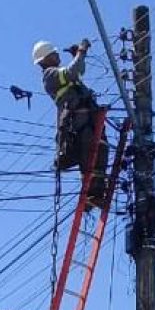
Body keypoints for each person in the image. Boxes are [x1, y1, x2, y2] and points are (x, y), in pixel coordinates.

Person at [32, 38, 109, 208]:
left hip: (89, 116)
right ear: (44, 60)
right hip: (77, 121)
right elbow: (72, 72)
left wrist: (78, 56)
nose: (57, 55)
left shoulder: (60, 73)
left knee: (101, 148)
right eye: (53, 54)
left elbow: (78, 70)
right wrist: (80, 52)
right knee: (89, 152)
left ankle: (97, 192)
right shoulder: (49, 75)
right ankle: (90, 194)